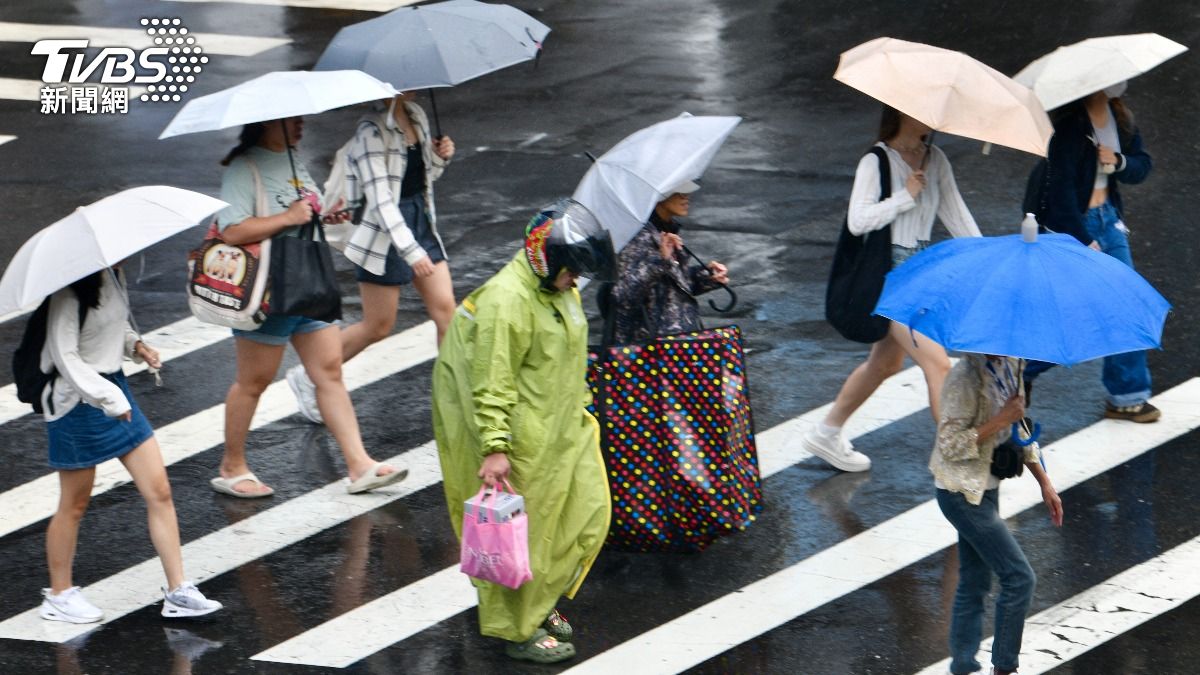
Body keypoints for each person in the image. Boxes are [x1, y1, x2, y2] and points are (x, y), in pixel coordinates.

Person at [431, 199, 615, 664]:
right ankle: (517, 628)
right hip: (521, 438)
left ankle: (541, 600)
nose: (577, 280)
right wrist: (495, 446)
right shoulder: (506, 302)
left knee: (582, 514)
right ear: (547, 259)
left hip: (561, 427)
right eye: (572, 271)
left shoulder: (559, 290)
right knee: (521, 536)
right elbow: (492, 381)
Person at [211, 117, 406, 498]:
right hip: (270, 288)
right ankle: (231, 465)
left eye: (300, 119)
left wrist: (326, 213)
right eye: (291, 121)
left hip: (309, 280)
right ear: (267, 123)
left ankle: (359, 464)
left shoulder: (292, 158)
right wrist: (287, 217)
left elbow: (305, 210)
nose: (300, 126)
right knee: (255, 382)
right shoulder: (244, 167)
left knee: (329, 371)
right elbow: (231, 229)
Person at [805, 106, 982, 472]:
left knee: (884, 363)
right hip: (888, 277)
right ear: (904, 112)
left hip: (918, 272)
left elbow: (957, 216)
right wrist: (905, 195)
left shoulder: (937, 159)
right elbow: (858, 221)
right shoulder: (876, 161)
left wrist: (991, 260)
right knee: (939, 365)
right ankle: (957, 461)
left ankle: (825, 433)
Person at [39, 269, 222, 623]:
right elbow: (66, 356)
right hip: (76, 401)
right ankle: (59, 595)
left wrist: (136, 345)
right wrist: (110, 398)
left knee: (160, 491)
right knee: (74, 504)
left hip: (113, 389)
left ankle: (178, 591)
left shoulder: (113, 274)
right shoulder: (67, 290)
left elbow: (112, 325)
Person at [286, 92, 456, 424]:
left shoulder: (417, 114)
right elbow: (381, 201)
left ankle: (452, 397)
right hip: (381, 233)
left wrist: (439, 157)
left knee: (446, 312)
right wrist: (411, 251)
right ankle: (309, 376)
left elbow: (422, 178)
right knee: (377, 326)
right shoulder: (371, 132)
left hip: (419, 220)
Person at [1022, 82, 1159, 422]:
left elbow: (1142, 165)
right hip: (1077, 228)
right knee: (1071, 315)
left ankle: (1126, 395)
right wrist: (1083, 241)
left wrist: (1118, 161)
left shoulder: (1119, 118)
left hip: (1109, 221)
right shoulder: (1070, 128)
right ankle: (1021, 368)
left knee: (1127, 302)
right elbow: (1060, 192)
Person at [931, 353, 1063, 675]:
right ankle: (1004, 668)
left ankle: (962, 666)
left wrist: (1045, 483)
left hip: (986, 488)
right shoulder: (964, 378)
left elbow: (1020, 429)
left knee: (974, 581)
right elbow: (948, 444)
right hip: (959, 492)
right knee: (1019, 578)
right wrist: (1000, 420)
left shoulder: (1011, 365)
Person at [608, 180, 729, 344]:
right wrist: (660, 261)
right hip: (651, 352)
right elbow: (623, 295)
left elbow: (672, 285)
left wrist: (707, 276)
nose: (686, 197)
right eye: (679, 193)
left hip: (678, 345)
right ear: (658, 196)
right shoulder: (636, 238)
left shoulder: (667, 230)